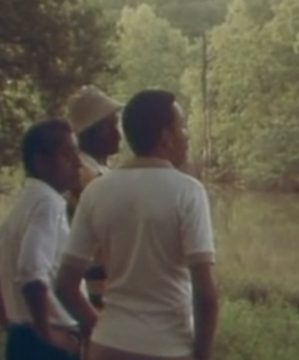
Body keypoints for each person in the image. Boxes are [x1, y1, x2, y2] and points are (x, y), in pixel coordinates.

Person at [56, 90, 220, 360]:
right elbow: (205, 294)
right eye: (181, 127)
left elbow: (65, 284)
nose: (186, 135)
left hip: (106, 346)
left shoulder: (96, 190)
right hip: (167, 348)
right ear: (166, 137)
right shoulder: (188, 192)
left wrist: (99, 327)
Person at [0, 119, 87, 360]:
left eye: (77, 154)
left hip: (22, 336)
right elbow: (31, 272)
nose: (79, 163)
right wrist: (48, 336)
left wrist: (13, 324)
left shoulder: (27, 200)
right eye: (68, 155)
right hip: (52, 342)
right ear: (41, 161)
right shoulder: (48, 203)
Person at [64, 85, 124, 309]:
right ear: (93, 131)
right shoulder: (84, 177)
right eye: (111, 125)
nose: (118, 133)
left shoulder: (98, 172)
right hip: (93, 294)